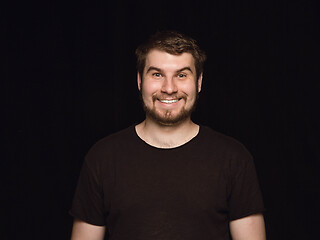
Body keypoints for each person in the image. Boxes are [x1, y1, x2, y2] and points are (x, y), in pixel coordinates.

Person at [70, 30, 266, 240]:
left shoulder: (233, 158)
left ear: (199, 82)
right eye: (157, 74)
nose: (169, 88)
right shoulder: (102, 157)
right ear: (139, 81)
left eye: (181, 75)